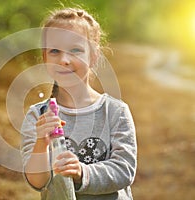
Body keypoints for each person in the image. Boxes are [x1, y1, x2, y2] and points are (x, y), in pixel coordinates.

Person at [20, 7, 137, 200]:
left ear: (93, 56)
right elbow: (37, 183)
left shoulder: (115, 112)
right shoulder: (38, 115)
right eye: (55, 51)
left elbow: (124, 170)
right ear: (44, 57)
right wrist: (41, 143)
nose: (64, 60)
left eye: (75, 50)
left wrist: (82, 173)